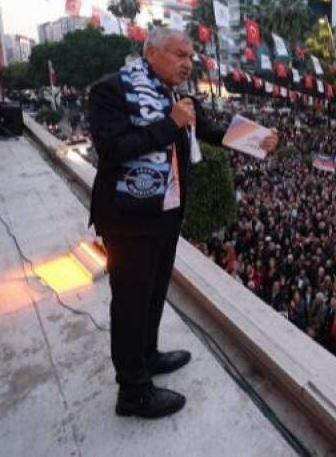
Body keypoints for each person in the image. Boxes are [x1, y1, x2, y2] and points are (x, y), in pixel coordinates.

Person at [88, 28, 277, 419]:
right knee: (130, 303)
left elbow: (209, 130)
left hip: (167, 212)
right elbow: (112, 150)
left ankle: (148, 355)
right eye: (179, 54)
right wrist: (169, 125)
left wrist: (258, 140)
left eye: (190, 56)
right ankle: (133, 392)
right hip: (128, 219)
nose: (188, 63)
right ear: (151, 52)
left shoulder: (178, 97)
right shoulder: (111, 90)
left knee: (155, 292)